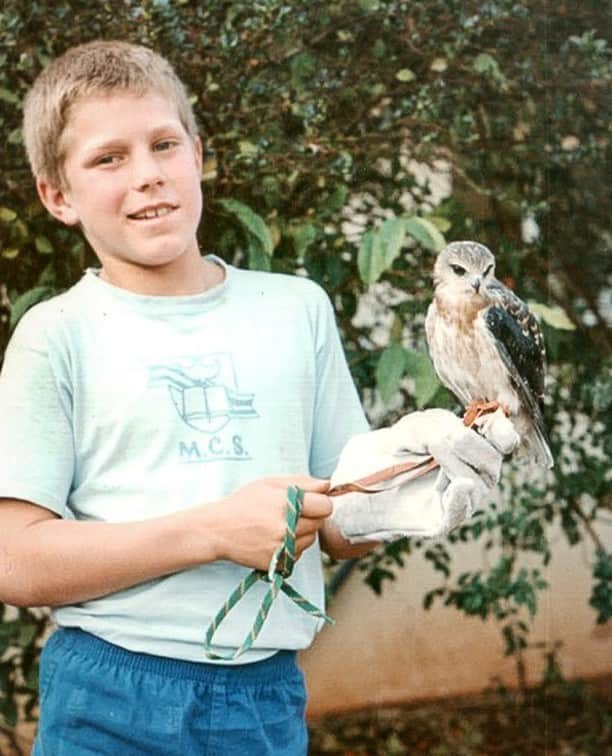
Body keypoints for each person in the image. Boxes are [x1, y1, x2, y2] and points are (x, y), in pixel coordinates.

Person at [0, 40, 513, 755]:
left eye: (164, 144)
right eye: (109, 158)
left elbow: (337, 523)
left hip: (263, 697)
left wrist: (399, 487)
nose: (148, 175)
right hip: (108, 692)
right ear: (57, 195)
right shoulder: (55, 335)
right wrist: (211, 531)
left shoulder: (295, 308)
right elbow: (15, 561)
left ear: (199, 155)